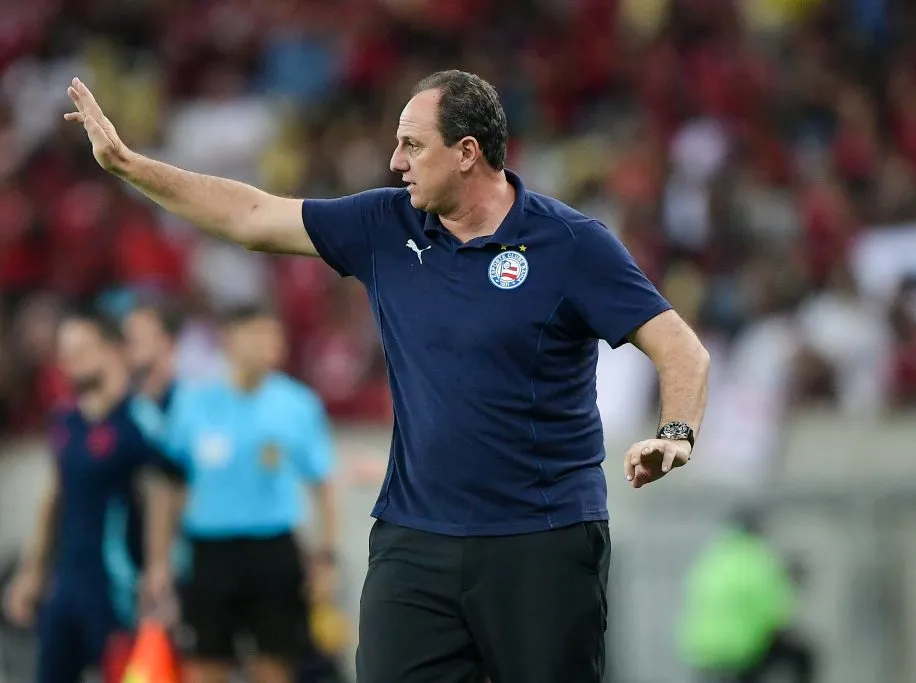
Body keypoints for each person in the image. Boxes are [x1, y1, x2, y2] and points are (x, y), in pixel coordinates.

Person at [64, 69, 711, 683]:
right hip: (415, 539)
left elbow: (682, 349)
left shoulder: (570, 244)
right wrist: (129, 165)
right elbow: (253, 217)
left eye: (411, 145)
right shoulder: (385, 225)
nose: (396, 162)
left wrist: (675, 430)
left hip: (539, 540)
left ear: (466, 151)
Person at [139, 304, 339, 683]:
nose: (266, 345)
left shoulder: (297, 404)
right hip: (211, 552)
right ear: (229, 340)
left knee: (274, 666)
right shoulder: (193, 403)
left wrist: (326, 558)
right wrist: (159, 562)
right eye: (256, 335)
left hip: (273, 551)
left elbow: (322, 484)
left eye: (272, 336)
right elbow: (167, 485)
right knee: (205, 665)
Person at [2, 310, 185, 683]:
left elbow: (165, 489)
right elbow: (54, 496)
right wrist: (32, 571)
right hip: (67, 579)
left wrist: (158, 566)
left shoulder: (140, 420)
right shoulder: (66, 421)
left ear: (112, 350)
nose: (72, 362)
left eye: (83, 350)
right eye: (66, 354)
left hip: (117, 581)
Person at [675, 509, 815, 683]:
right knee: (802, 656)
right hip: (741, 650)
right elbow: (778, 614)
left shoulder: (711, 558)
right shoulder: (759, 558)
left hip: (702, 650)